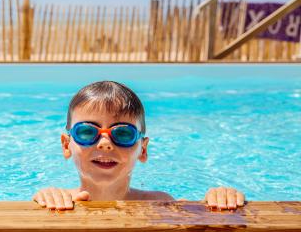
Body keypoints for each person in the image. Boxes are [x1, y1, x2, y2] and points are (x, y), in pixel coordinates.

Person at [32, 81, 245, 211]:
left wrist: (219, 200)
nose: (105, 143)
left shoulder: (160, 204)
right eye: (87, 132)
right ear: (66, 144)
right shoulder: (59, 200)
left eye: (122, 133)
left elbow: (196, 221)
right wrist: (43, 202)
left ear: (143, 149)